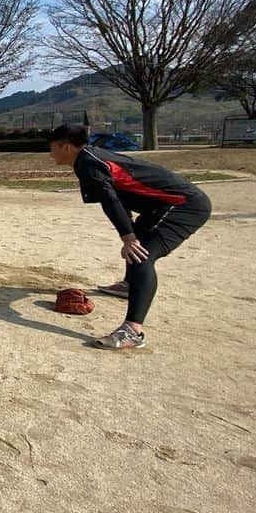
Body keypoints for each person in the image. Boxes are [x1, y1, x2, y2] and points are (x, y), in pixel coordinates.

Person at [47, 124, 211, 349]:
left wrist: (128, 238)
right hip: (161, 206)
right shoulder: (88, 158)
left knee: (143, 254)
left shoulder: (88, 163)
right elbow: (117, 198)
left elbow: (110, 200)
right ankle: (130, 285)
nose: (50, 153)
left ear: (66, 147)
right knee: (137, 242)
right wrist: (130, 233)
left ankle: (133, 330)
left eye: (53, 148)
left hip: (183, 206)